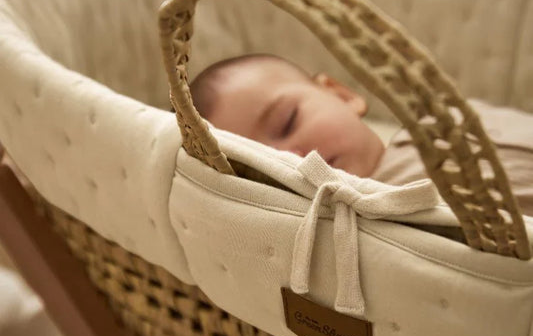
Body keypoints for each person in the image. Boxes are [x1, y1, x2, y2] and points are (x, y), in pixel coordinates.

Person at [188, 53, 533, 216]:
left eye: (288, 122)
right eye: (262, 165)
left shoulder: (445, 118)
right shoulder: (365, 238)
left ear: (342, 95)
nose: (291, 158)